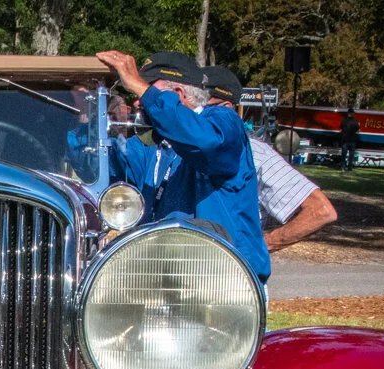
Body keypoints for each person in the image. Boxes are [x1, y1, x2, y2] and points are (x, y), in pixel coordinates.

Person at [94, 50, 270, 283]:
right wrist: (89, 121)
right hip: (169, 280)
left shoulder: (224, 121)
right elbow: (104, 165)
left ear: (178, 93)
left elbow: (205, 142)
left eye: (146, 90)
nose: (138, 101)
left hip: (221, 282)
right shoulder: (157, 145)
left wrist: (141, 88)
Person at [203, 66, 337, 252]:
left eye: (199, 105)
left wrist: (260, 247)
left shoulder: (255, 153)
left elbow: (320, 211)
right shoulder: (172, 150)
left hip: (228, 274)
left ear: (226, 108)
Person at [340, 107, 360, 172]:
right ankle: (350, 167)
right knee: (351, 155)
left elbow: (341, 128)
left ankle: (342, 167)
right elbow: (358, 130)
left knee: (344, 154)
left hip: (345, 140)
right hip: (352, 140)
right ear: (353, 114)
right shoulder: (356, 122)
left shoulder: (344, 121)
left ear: (348, 113)